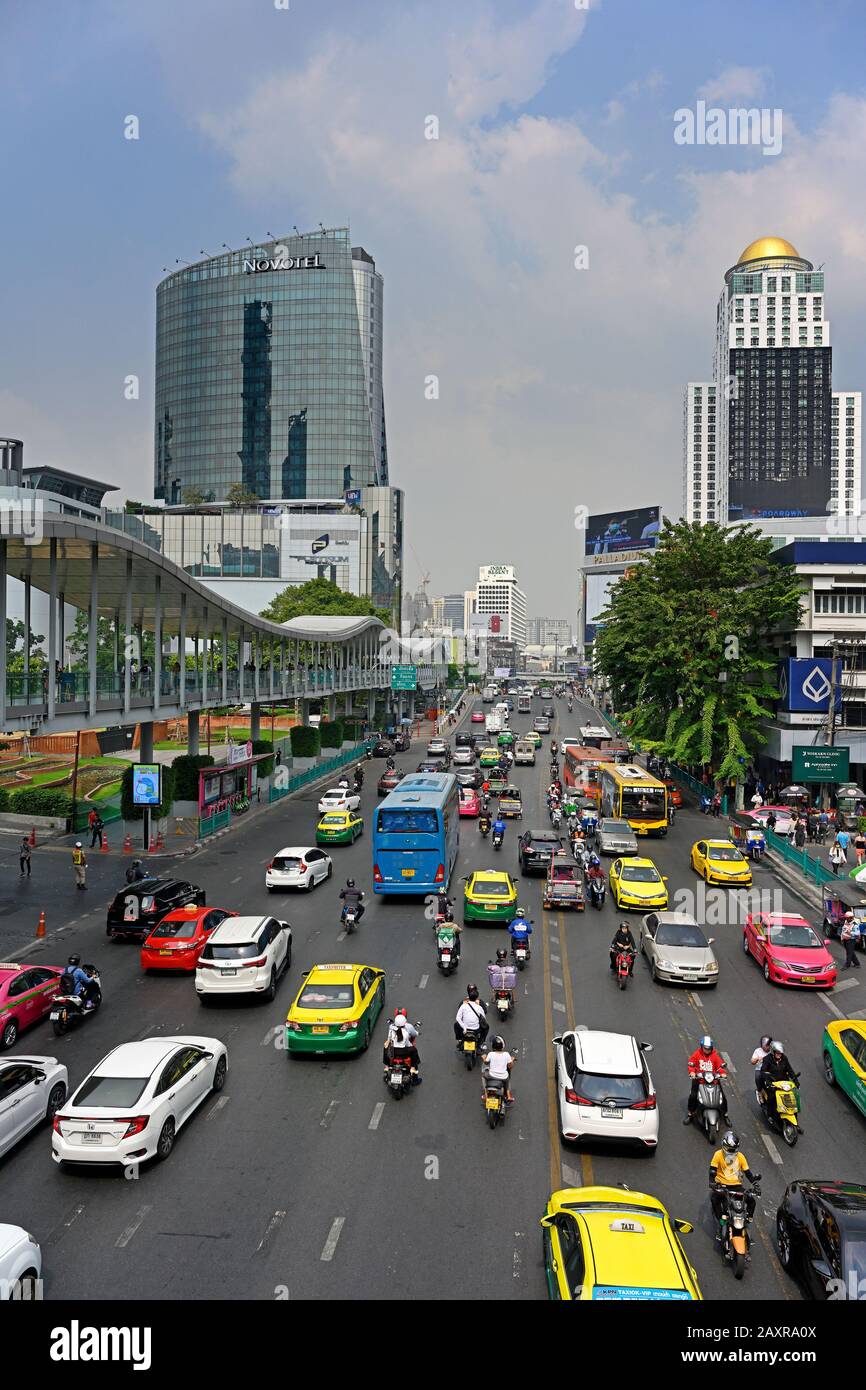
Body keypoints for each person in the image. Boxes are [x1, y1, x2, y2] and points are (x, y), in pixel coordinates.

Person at [709, 1131, 761, 1232]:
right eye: (730, 1149)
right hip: (721, 1186)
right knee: (714, 1199)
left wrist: (755, 1184)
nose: (732, 1151)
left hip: (737, 1186)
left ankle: (748, 1219)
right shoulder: (718, 1155)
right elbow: (712, 1170)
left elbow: (748, 1173)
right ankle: (721, 1221)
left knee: (752, 1201)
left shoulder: (741, 1156)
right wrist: (712, 1183)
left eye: (734, 1149)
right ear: (724, 1145)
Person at [683, 1035, 729, 1125]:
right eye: (705, 1048)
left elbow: (720, 1066)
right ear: (702, 1047)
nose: (707, 1050)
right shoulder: (697, 1054)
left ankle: (726, 1115)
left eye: (709, 1048)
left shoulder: (715, 1056)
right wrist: (692, 1072)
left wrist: (722, 1073)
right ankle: (690, 1114)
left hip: (714, 1081)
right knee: (693, 1096)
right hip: (699, 1080)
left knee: (723, 1098)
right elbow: (691, 1064)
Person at [481, 1035, 515, 1104]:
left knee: (483, 1075)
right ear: (502, 1046)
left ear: (493, 1046)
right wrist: (512, 1060)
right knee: (507, 1082)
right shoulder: (507, 1054)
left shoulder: (490, 1054)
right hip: (503, 1077)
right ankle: (508, 1096)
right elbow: (510, 1067)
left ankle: (485, 1094)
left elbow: (486, 1062)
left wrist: (484, 1057)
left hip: (491, 1075)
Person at [749, 1035, 772, 1104]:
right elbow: (752, 1061)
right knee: (758, 1077)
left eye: (769, 1045)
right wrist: (757, 1059)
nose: (768, 1047)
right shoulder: (757, 1051)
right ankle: (759, 1092)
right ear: (763, 1045)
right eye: (767, 1045)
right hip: (760, 1070)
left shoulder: (772, 1051)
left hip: (771, 1069)